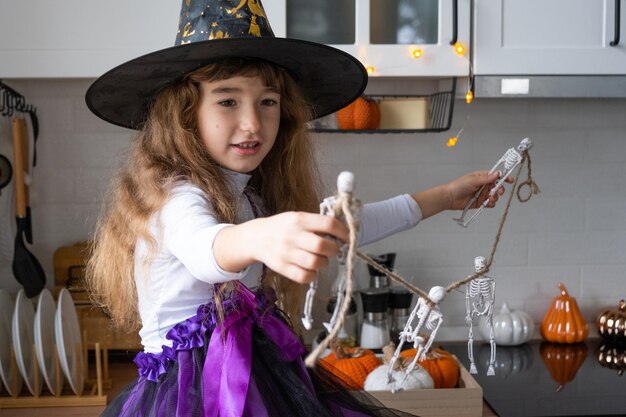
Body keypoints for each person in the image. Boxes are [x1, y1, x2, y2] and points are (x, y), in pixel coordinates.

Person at [85, 1, 510, 416]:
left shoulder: (251, 195)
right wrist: (260, 236)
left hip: (259, 381)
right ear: (183, 113)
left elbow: (341, 227)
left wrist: (445, 196)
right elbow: (205, 249)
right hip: (189, 398)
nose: (253, 123)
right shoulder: (174, 194)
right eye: (228, 101)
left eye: (267, 102)